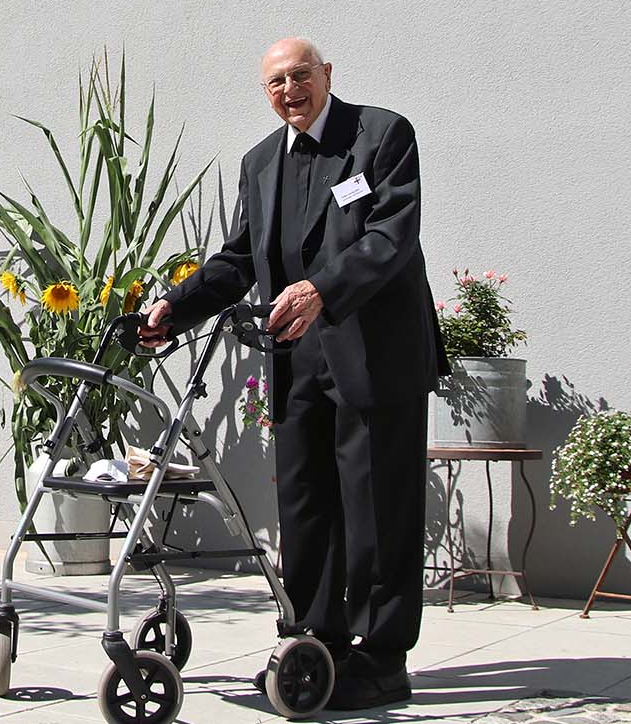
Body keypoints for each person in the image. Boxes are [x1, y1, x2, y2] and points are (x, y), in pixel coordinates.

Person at [141, 37, 446, 710]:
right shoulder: (259, 162)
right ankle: (313, 642)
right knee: (305, 506)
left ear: (326, 74)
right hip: (296, 358)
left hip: (375, 355)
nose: (290, 90)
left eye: (300, 75)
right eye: (276, 82)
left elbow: (390, 237)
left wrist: (320, 290)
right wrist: (174, 308)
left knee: (378, 509)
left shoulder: (381, 135)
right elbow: (237, 260)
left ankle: (382, 658)